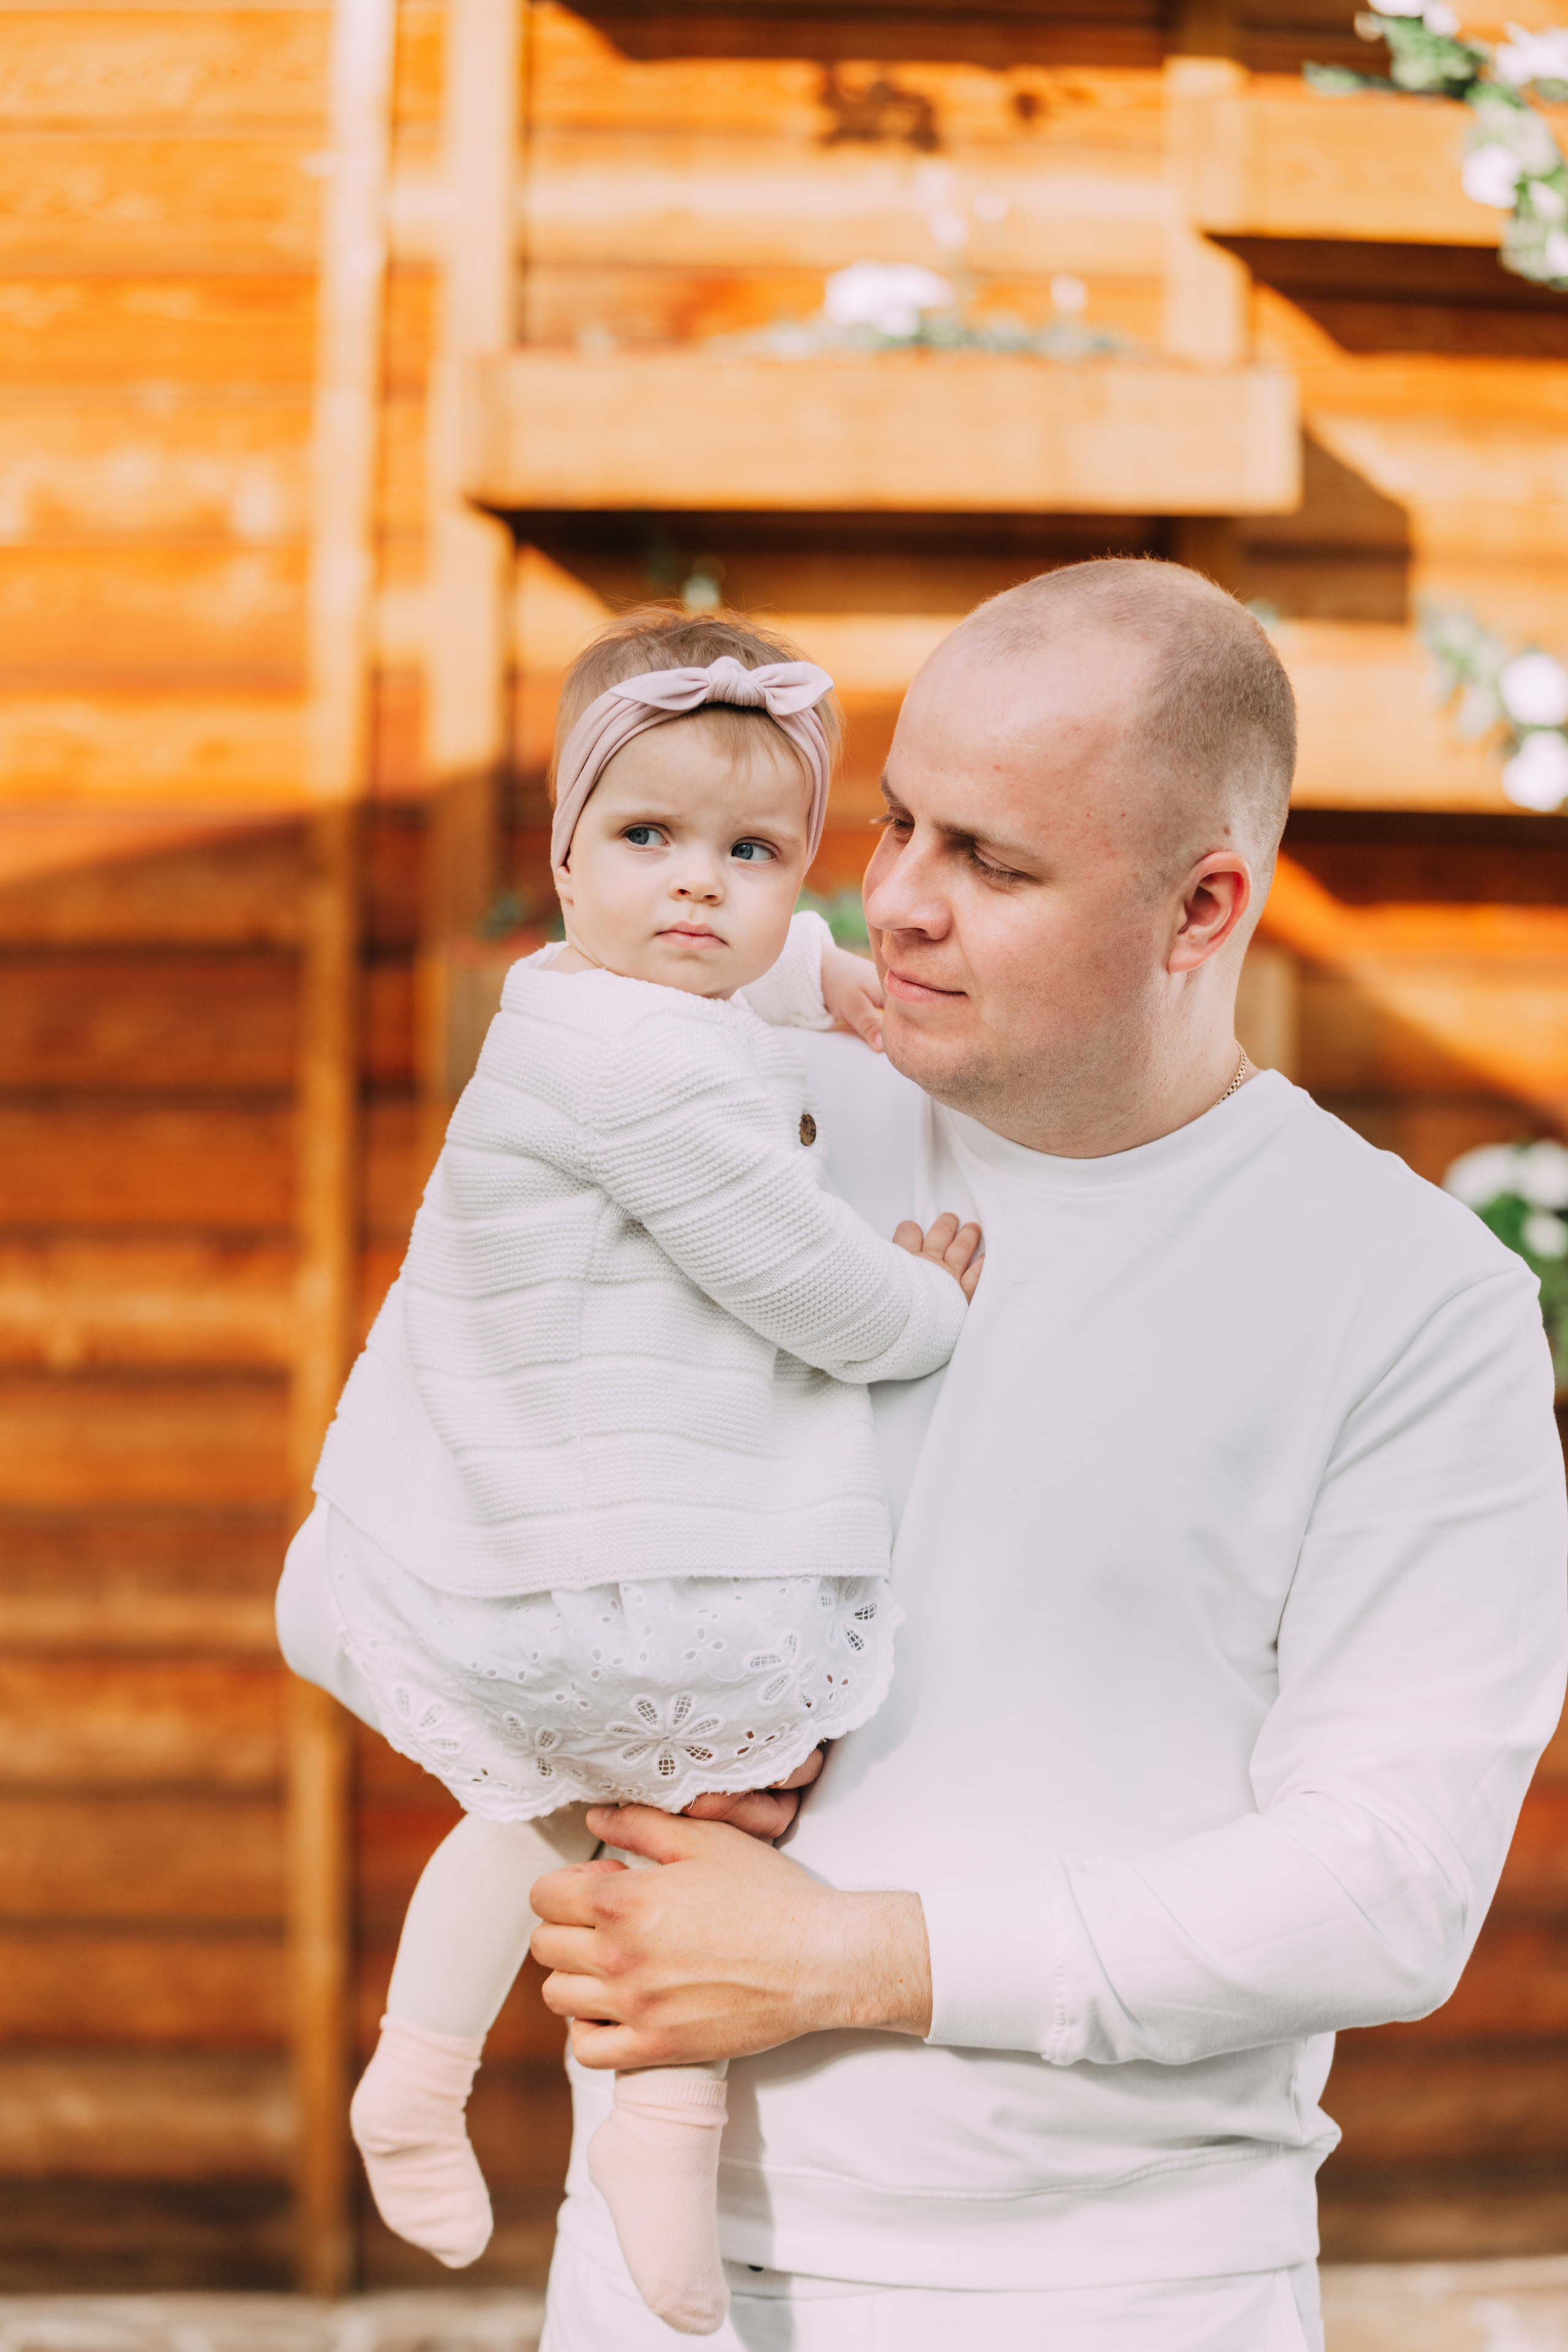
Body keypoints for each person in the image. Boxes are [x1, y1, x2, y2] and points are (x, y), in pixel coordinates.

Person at [527, 559, 1568, 2352]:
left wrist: (847, 1956)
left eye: (993, 865)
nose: (894, 901)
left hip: (1114, 2297)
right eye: (898, 822)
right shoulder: (735, 1121)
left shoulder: (1410, 1300)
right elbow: (434, 1541)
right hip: (643, 2270)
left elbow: (1383, 1888)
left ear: (1202, 908)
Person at [276, 608, 981, 2335]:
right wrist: (927, 1305)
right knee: (688, 1818)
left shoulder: (582, 993)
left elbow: (735, 966)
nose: (698, 890)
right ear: (564, 852)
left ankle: (420, 2074)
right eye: (650, 837)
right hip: (598, 1552)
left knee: (537, 1812)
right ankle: (658, 2153)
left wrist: (826, 981)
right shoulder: (642, 1070)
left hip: (535, 1524)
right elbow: (797, 1280)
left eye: (753, 854)